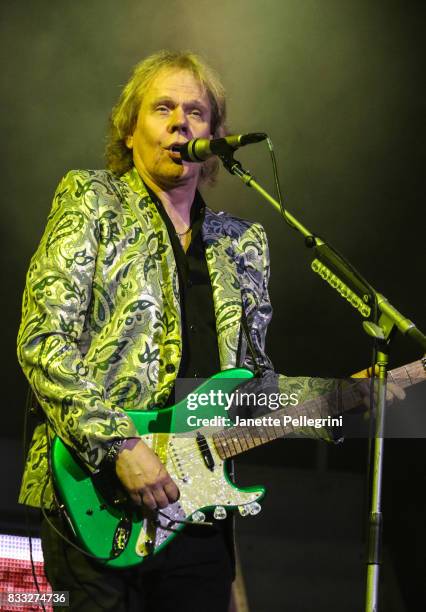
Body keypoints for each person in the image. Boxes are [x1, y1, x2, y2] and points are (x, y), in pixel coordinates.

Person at [17, 50, 402, 612]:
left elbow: (251, 396)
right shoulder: (92, 200)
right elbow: (43, 338)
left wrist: (339, 400)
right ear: (130, 130)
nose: (181, 122)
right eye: (163, 108)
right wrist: (120, 443)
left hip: (197, 512)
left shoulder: (242, 243)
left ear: (216, 136)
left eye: (196, 112)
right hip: (93, 497)